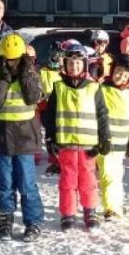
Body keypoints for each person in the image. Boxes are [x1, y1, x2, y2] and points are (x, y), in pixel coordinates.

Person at [43, 42, 109, 232]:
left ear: (85, 65)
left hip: (89, 146)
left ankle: (90, 211)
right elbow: (50, 116)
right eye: (70, 64)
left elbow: (102, 115)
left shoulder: (94, 88)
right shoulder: (58, 87)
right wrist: (50, 139)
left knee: (88, 181)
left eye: (78, 63)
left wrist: (105, 139)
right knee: (67, 182)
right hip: (66, 144)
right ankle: (68, 213)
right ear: (64, 65)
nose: (74, 67)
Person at [0, 33, 45, 241]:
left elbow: (33, 96)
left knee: (27, 183)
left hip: (25, 137)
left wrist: (26, 72)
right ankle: (6, 219)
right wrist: (3, 77)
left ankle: (33, 221)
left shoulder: (31, 74)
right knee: (3, 181)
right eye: (8, 59)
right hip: (3, 137)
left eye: (16, 59)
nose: (12, 63)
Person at [97, 54, 129, 220]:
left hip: (121, 144)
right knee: (107, 175)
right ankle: (110, 208)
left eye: (125, 74)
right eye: (118, 72)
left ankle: (117, 203)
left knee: (117, 174)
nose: (120, 76)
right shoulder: (102, 90)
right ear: (112, 70)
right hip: (104, 142)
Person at [38, 40, 66, 173]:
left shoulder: (65, 73)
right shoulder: (43, 71)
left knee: (60, 134)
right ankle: (53, 158)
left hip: (61, 108)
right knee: (50, 133)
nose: (58, 58)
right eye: (55, 54)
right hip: (46, 107)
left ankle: (61, 158)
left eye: (60, 55)